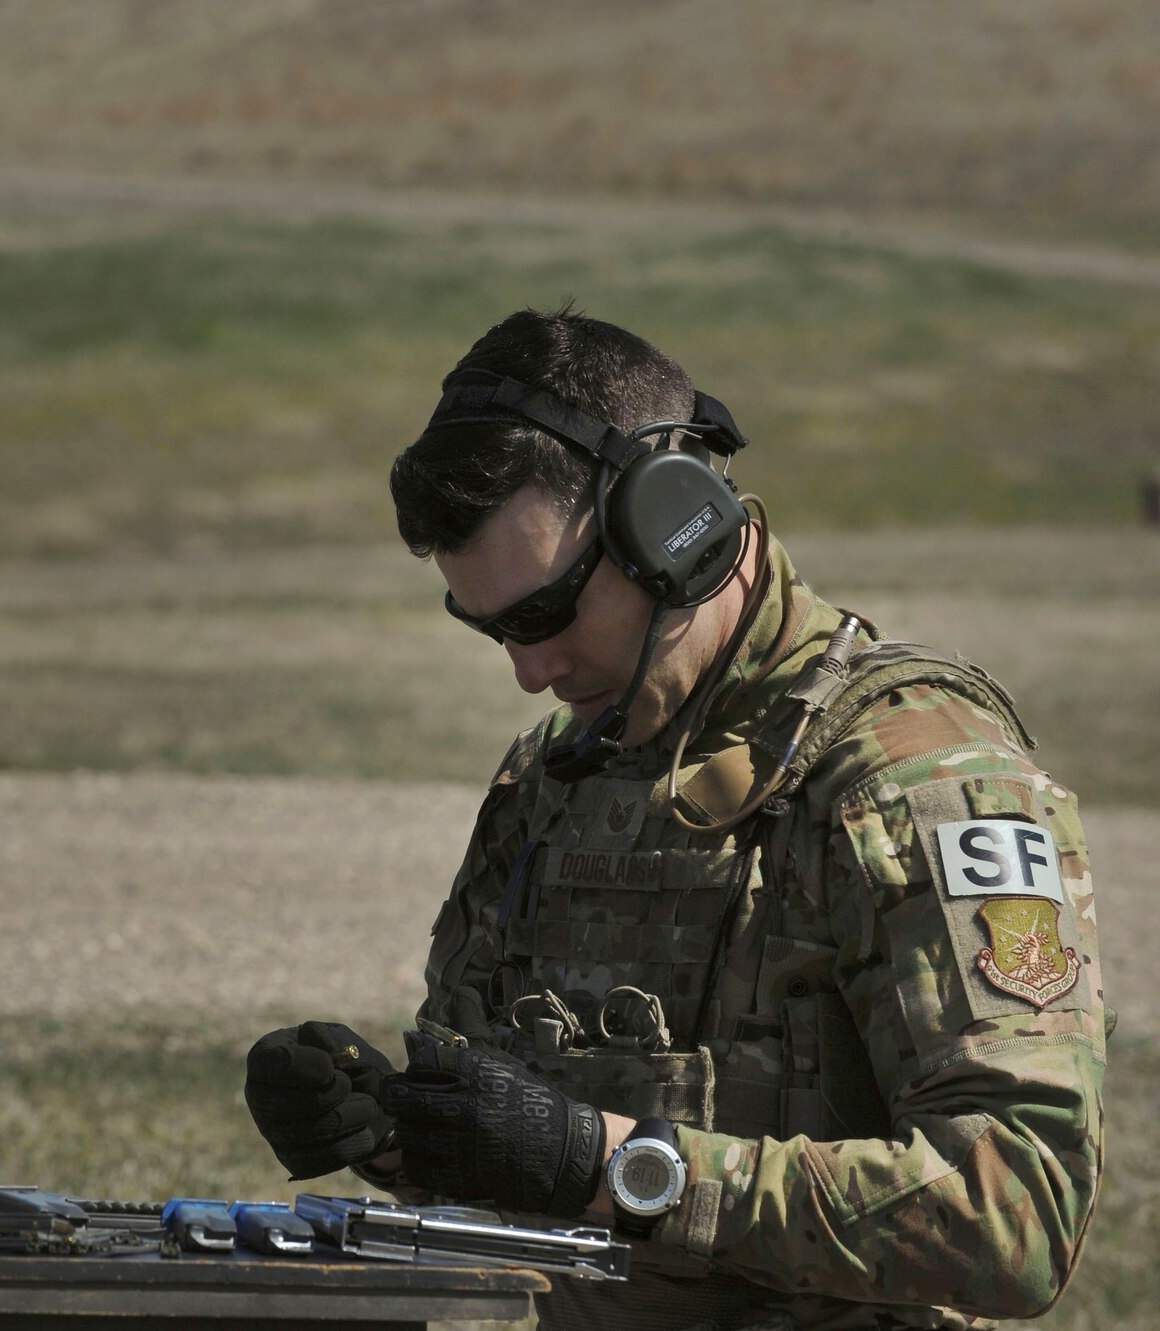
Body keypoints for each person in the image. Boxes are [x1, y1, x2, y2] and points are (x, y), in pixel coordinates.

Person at [243, 309, 1107, 1331]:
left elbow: (1014, 1215)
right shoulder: (552, 778)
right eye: (490, 629)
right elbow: (542, 1176)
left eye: (543, 614)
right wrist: (399, 1133)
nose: (527, 671)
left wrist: (614, 1162)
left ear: (673, 529)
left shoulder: (907, 773)